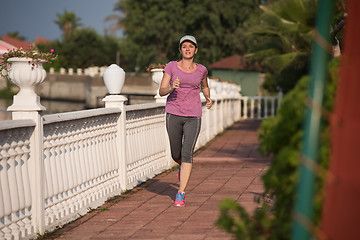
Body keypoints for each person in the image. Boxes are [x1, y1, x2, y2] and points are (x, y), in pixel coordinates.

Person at [159, 35, 212, 207]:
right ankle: (183, 167)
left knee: (187, 152)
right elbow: (161, 91)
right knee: (176, 154)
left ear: (196, 50)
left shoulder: (202, 70)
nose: (187, 49)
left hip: (193, 115)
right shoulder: (171, 66)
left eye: (191, 46)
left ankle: (181, 193)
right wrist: (171, 87)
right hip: (173, 113)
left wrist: (208, 98)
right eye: (184, 46)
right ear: (180, 50)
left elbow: (204, 85)